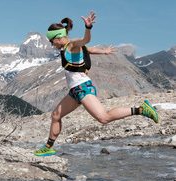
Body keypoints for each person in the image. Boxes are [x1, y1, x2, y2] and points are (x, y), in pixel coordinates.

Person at [34, 11, 159, 157]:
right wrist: (104, 51)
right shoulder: (66, 49)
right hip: (75, 91)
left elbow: (85, 41)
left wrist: (88, 28)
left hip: (83, 88)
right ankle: (48, 147)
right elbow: (89, 49)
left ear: (58, 38)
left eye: (51, 41)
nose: (51, 44)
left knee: (103, 118)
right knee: (56, 116)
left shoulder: (72, 45)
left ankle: (141, 109)